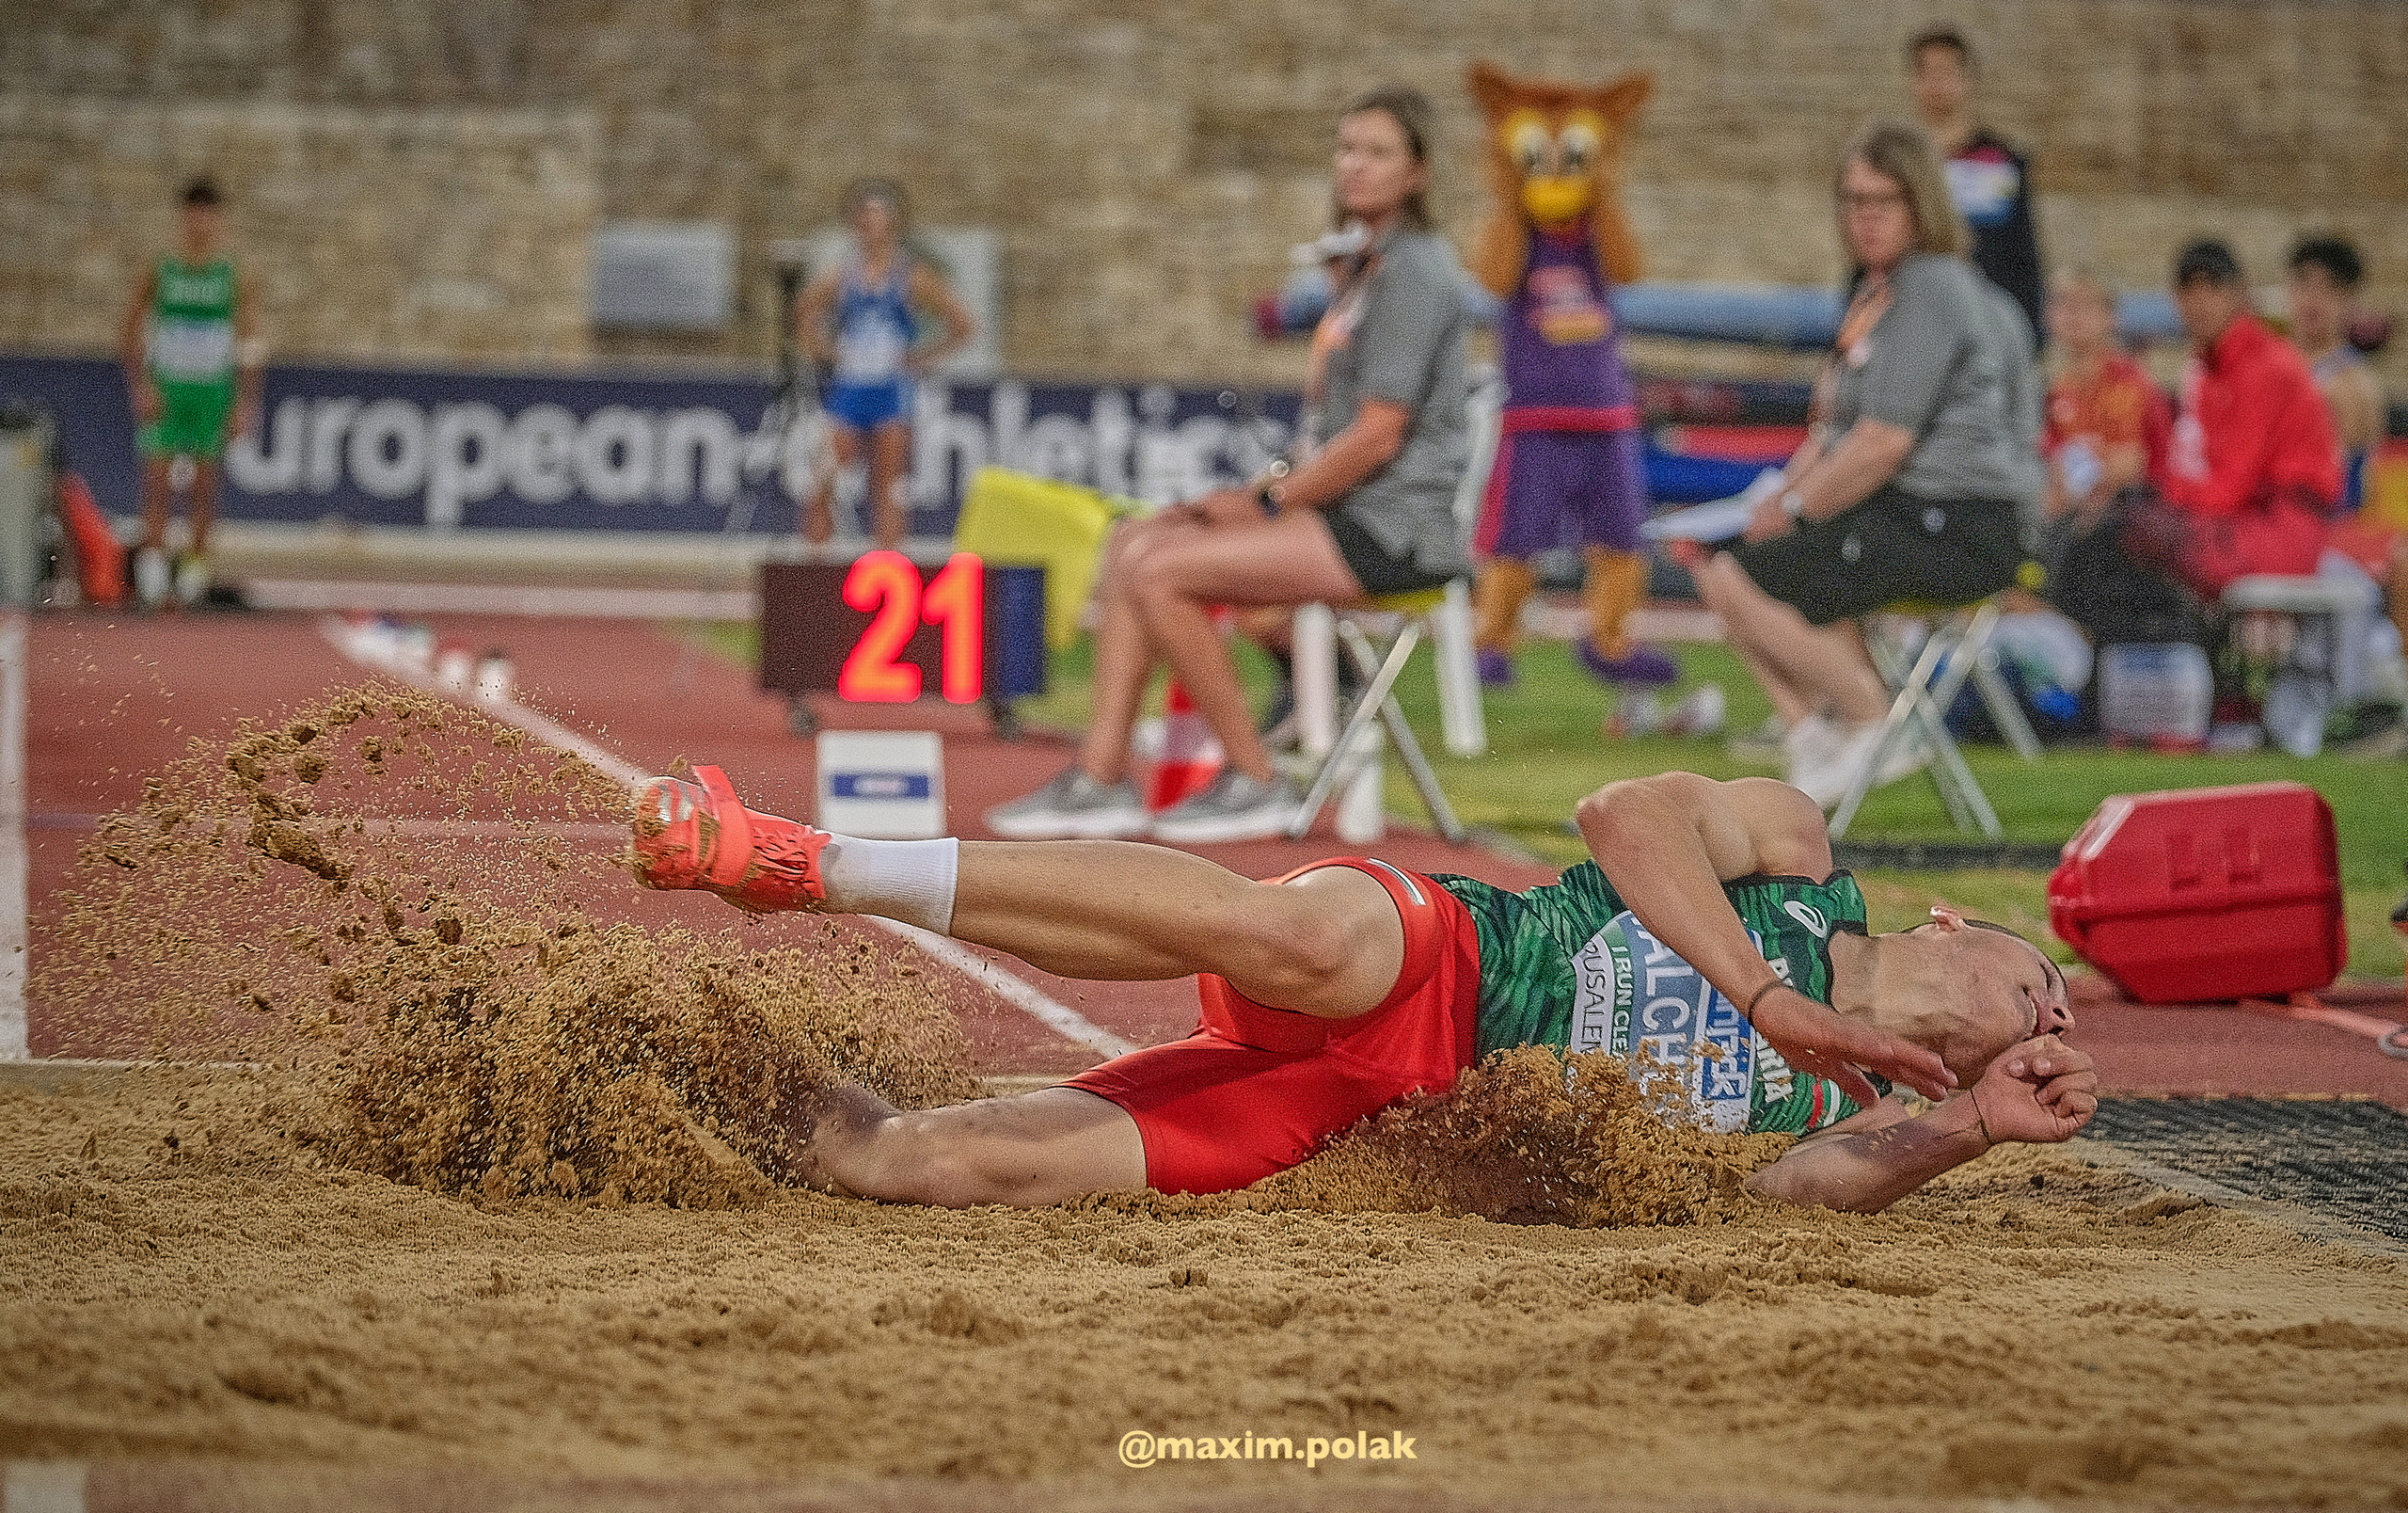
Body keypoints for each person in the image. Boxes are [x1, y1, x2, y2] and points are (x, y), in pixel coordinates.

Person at [626, 764, 2092, 1214]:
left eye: (2061, 1030)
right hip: (1442, 955)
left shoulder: (1853, 1104)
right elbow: (1619, 820)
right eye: (2049, 984)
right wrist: (1774, 997)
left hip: (1372, 1116)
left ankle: (681, 1078)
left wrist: (1970, 1130)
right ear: (1959, 922)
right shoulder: (1798, 854)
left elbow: (1786, 1201)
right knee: (1310, 942)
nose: (2054, 1018)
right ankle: (815, 862)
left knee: (926, 1165)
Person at [985, 86, 1472, 845]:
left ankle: (1255, 778)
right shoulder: (1368, 271)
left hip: (1396, 530)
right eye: (1345, 148)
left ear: (1419, 173)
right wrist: (1250, 496)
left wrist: (1272, 505)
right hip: (1343, 510)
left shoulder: (1416, 273)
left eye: (1377, 152)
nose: (1353, 166)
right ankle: (1101, 778)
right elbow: (1329, 428)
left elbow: (1378, 438)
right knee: (1134, 541)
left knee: (1161, 570)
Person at [1679, 123, 2035, 808]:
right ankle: (1816, 730)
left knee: (1745, 572)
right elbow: (1833, 429)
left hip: (1958, 524)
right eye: (1852, 200)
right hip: (1914, 512)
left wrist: (1794, 509)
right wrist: (1780, 499)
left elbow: (1882, 443)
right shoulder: (1883, 294)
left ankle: (1870, 719)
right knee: (1722, 563)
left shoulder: (1932, 289)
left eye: (1884, 201)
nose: (1863, 218)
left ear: (1921, 204)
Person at [2124, 240, 2340, 599]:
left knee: (2128, 533)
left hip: (2280, 529)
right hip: (2243, 521)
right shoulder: (2207, 369)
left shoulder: (2267, 365)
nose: (2199, 302)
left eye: (2212, 288)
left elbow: (2228, 489)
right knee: (2115, 529)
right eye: (2188, 290)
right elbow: (2200, 472)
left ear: (2238, 294)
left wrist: (2158, 491)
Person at [796, 178, 975, 551]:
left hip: (891, 391)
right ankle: (813, 559)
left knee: (888, 483)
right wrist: (824, 350)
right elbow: (803, 312)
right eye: (862, 218)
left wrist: (922, 357)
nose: (868, 226)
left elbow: (962, 324)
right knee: (826, 473)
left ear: (892, 224)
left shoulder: (909, 276)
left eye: (876, 217)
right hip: (849, 388)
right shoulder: (843, 275)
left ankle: (889, 563)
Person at [118, 176, 261, 610]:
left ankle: (194, 582)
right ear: (183, 218)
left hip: (212, 392)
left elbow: (250, 341)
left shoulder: (231, 274)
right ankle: (153, 580)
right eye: (193, 214)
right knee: (158, 483)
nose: (201, 223)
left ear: (218, 220)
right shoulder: (162, 269)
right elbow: (129, 331)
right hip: (168, 389)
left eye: (209, 215)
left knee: (204, 487)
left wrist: (245, 401)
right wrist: (140, 385)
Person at [1907, 24, 2045, 343]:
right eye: (1926, 73)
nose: (1936, 84)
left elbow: (2022, 254)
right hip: (1918, 324)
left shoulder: (1999, 162)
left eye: (1946, 72)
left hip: (1987, 328)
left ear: (1967, 79)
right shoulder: (1900, 166)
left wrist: (2028, 338)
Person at [2288, 235, 2385, 513]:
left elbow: (2344, 488)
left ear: (2349, 300)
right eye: (2303, 283)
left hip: (2327, 524)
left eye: (2328, 287)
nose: (2312, 298)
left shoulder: (2352, 385)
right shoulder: (2277, 361)